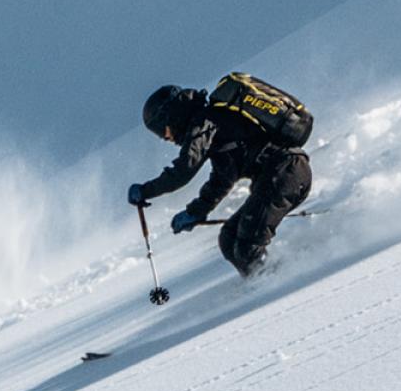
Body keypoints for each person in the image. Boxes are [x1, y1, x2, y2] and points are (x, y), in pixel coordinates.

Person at [128, 83, 312, 277]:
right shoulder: (218, 129)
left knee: (247, 246)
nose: (166, 138)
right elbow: (222, 179)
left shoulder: (205, 122)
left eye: (162, 130)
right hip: (285, 176)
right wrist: (196, 212)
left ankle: (283, 280)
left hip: (285, 173)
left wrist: (146, 191)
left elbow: (185, 169)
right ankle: (260, 283)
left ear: (172, 116)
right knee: (229, 238)